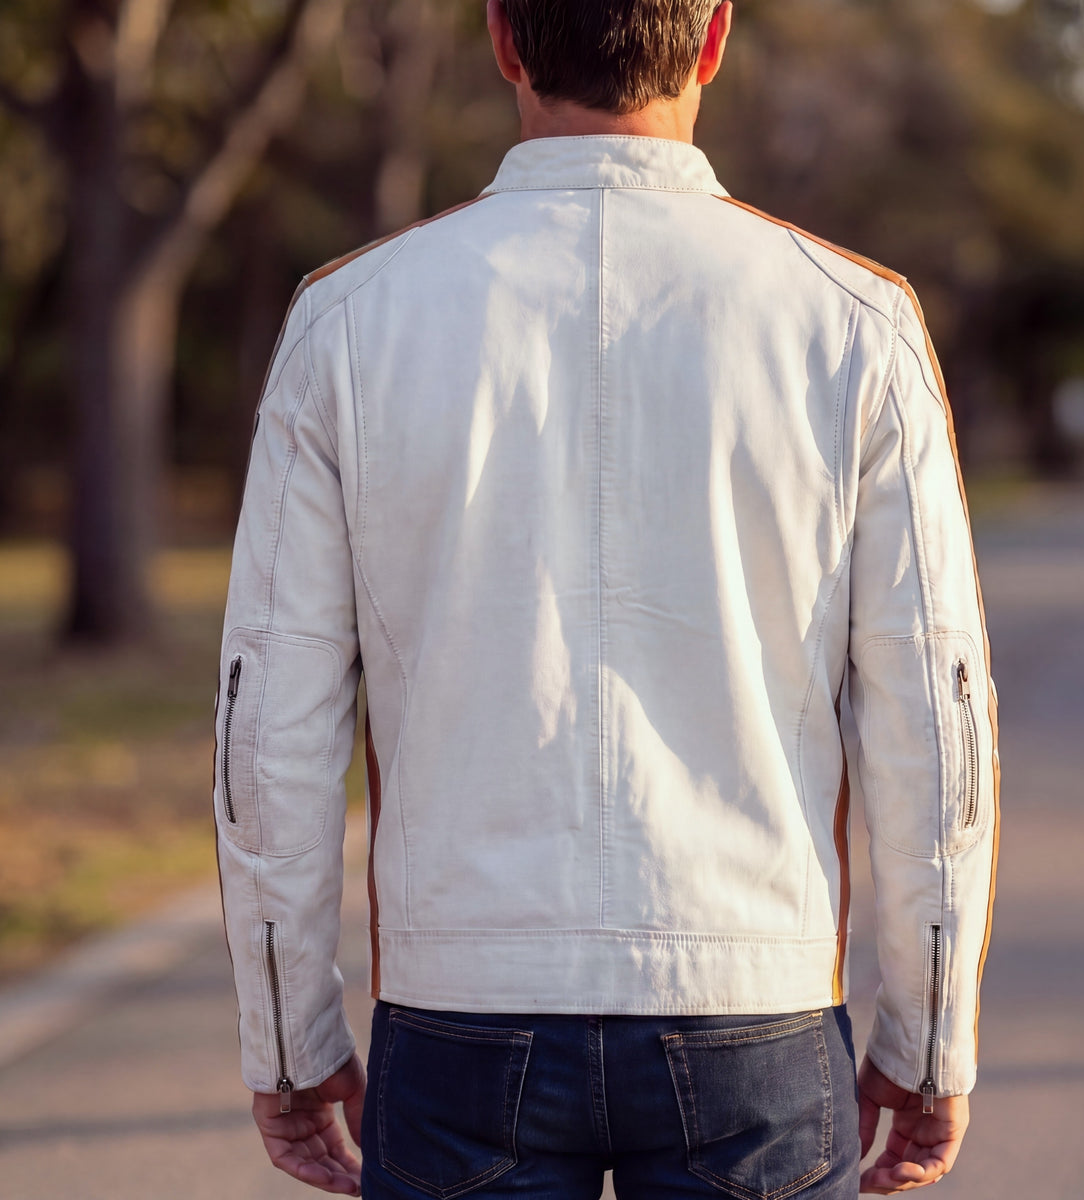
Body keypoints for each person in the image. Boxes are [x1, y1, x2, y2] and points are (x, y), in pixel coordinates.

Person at [213, 1, 999, 1196]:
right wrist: (932, 1031)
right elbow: (932, 725)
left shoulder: (347, 323)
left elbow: (270, 722)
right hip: (754, 1006)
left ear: (503, 40)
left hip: (461, 1011)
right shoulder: (856, 326)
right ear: (715, 36)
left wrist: (288, 1036)